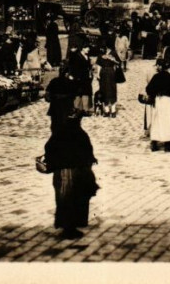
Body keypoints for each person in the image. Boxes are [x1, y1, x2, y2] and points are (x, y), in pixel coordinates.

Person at [44, 110, 99, 240]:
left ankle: (65, 226)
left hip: (62, 173)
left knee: (63, 199)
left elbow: (49, 149)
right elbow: (88, 153)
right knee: (76, 199)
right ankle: (71, 227)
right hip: (77, 173)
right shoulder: (81, 134)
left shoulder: (58, 134)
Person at [146, 59, 170, 152]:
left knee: (157, 121)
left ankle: (155, 143)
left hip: (159, 100)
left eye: (157, 65)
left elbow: (149, 89)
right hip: (168, 100)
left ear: (160, 66)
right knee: (168, 121)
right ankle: (169, 144)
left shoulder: (156, 76)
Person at [45, 63, 78, 134]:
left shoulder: (54, 81)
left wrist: (53, 98)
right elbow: (74, 94)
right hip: (66, 107)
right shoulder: (70, 82)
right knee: (65, 125)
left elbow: (47, 95)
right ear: (67, 73)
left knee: (54, 125)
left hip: (55, 107)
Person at [68, 42, 93, 115]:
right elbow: (72, 66)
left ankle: (85, 110)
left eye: (89, 48)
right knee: (78, 93)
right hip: (78, 77)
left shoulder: (87, 57)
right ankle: (76, 109)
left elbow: (89, 67)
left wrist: (90, 73)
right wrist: (71, 75)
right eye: (87, 48)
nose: (88, 50)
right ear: (82, 48)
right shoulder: (77, 56)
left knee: (86, 92)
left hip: (86, 78)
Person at [95, 46, 121, 118]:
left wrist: (113, 59)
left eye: (106, 48)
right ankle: (106, 111)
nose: (104, 49)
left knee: (112, 90)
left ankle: (113, 111)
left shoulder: (113, 53)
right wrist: (98, 74)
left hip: (111, 73)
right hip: (103, 73)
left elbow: (118, 63)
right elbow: (99, 65)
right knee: (103, 91)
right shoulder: (100, 54)